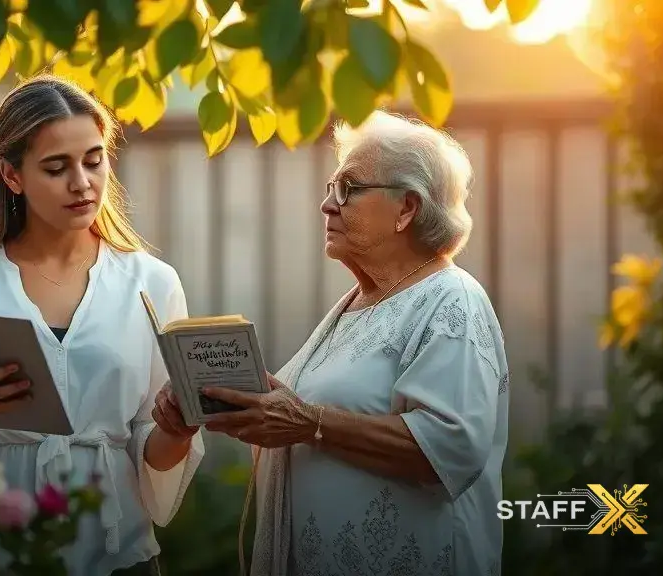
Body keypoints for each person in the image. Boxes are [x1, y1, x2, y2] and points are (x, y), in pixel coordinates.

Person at [0, 75, 205, 576]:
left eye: (94, 159)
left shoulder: (152, 282)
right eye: (56, 167)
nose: (82, 183)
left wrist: (180, 428)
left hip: (117, 552)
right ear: (12, 176)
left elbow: (155, 449)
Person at [202, 111, 510, 576]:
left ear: (407, 208)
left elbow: (451, 447)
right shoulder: (355, 304)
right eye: (329, 188)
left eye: (348, 188)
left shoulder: (450, 301)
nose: (327, 205)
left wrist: (310, 423)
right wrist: (236, 405)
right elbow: (301, 422)